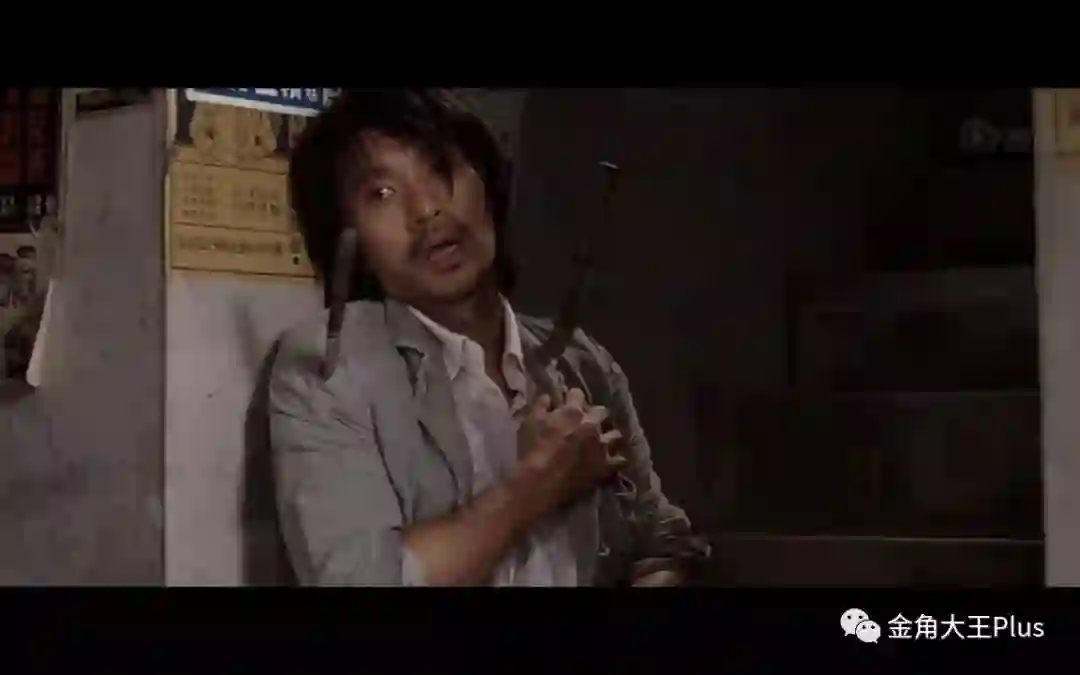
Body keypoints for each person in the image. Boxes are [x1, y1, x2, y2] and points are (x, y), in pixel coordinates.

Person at [270, 89, 708, 587]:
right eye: (382, 194)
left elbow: (662, 540)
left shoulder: (581, 361)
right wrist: (535, 486)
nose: (427, 209)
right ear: (348, 240)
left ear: (488, 183)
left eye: (442, 169)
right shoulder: (328, 366)